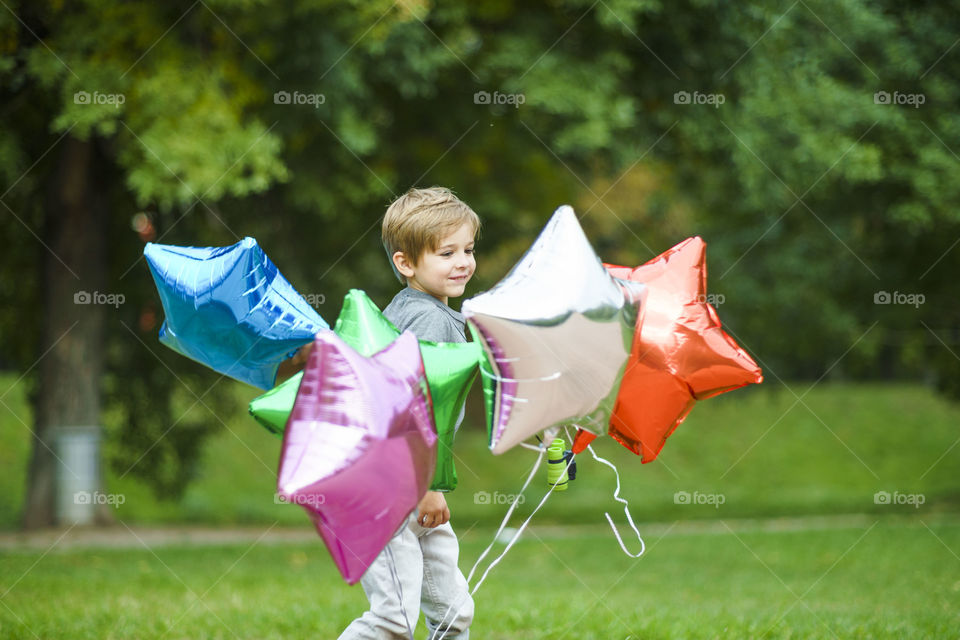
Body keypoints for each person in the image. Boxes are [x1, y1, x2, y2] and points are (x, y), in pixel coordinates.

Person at [279, 186, 477, 639]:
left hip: (408, 486)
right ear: (406, 263)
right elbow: (409, 408)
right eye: (446, 253)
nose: (462, 261)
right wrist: (425, 487)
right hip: (393, 489)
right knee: (394, 618)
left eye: (468, 249)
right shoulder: (427, 321)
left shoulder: (416, 312)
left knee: (452, 613)